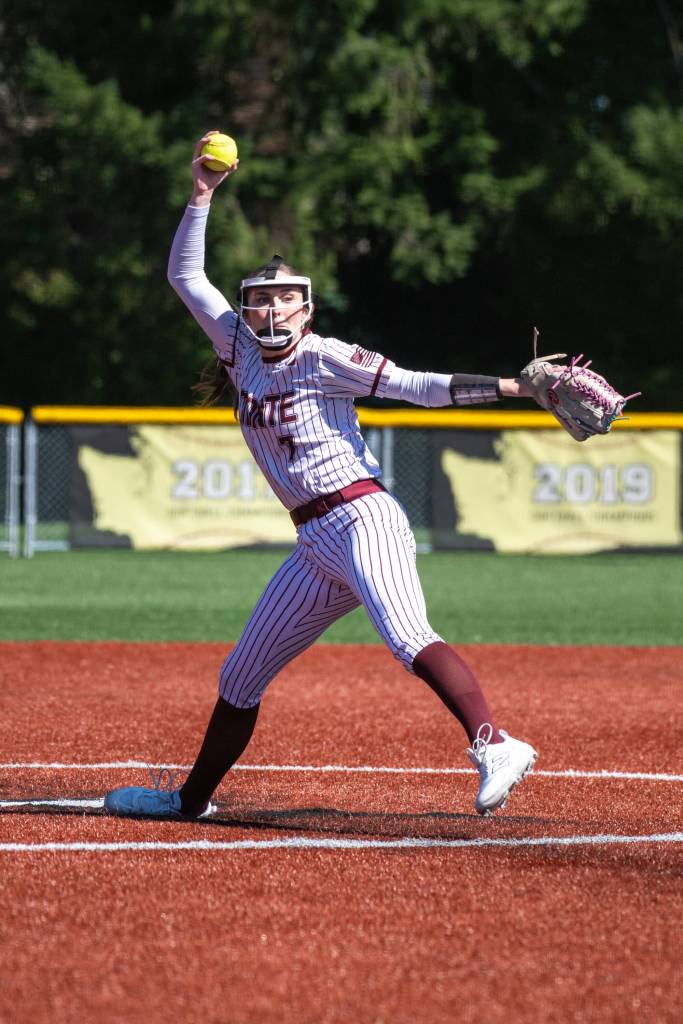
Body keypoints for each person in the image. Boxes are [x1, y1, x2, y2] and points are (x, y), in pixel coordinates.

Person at [104, 131, 537, 822]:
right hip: (312, 543)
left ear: (306, 309)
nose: (271, 311)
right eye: (260, 302)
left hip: (361, 515)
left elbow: (418, 386)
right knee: (239, 677)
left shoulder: (326, 355)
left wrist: (514, 388)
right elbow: (186, 278)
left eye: (284, 301)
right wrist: (201, 196)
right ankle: (189, 801)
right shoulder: (239, 351)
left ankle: (495, 742)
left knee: (403, 633)